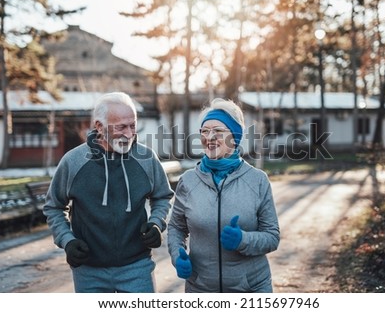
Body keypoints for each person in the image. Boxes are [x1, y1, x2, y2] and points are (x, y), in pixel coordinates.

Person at [43, 92, 174, 293]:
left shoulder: (147, 159)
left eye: (133, 125)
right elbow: (54, 207)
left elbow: (162, 196)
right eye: (121, 127)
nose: (130, 134)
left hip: (137, 267)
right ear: (99, 127)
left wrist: (156, 223)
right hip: (88, 271)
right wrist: (67, 240)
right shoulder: (73, 162)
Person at [167, 98, 280, 292]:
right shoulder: (188, 181)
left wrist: (243, 240)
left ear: (235, 137)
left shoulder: (257, 180)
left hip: (251, 288)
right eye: (204, 131)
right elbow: (176, 227)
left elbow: (272, 237)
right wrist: (177, 256)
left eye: (218, 131)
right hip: (200, 289)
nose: (209, 137)